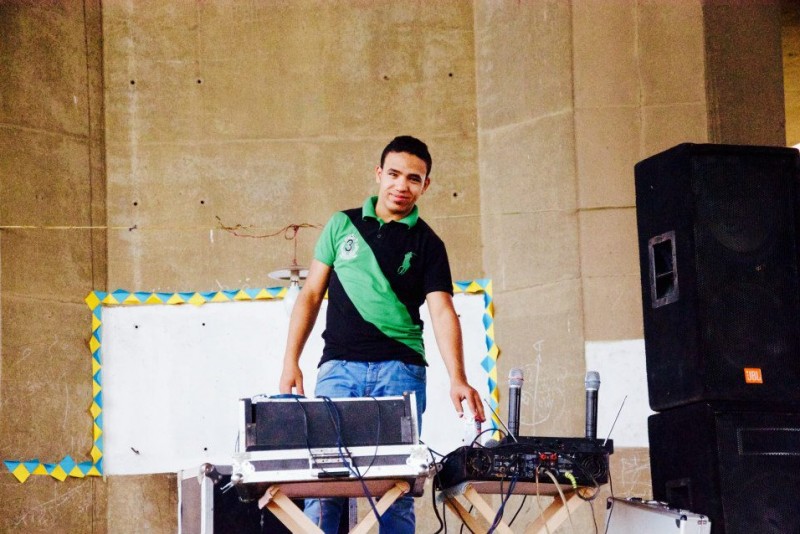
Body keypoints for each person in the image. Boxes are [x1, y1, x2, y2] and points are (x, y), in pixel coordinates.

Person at [279, 135, 486, 533]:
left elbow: (442, 310)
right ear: (378, 174)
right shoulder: (342, 224)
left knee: (395, 489)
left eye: (413, 178)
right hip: (338, 370)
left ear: (425, 185)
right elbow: (310, 295)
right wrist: (291, 361)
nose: (401, 185)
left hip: (401, 373)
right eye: (393, 174)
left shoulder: (429, 243)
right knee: (323, 486)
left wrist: (458, 377)